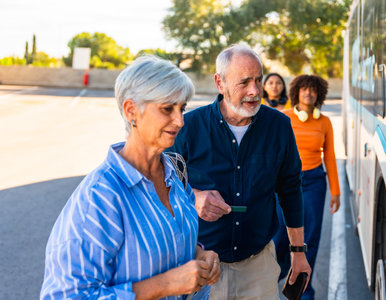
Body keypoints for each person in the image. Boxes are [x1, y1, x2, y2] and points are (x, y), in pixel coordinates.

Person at [40, 55, 220, 300]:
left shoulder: (175, 173)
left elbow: (173, 242)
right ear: (131, 110)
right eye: (168, 108)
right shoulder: (100, 197)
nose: (179, 121)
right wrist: (164, 285)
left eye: (182, 108)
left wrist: (199, 255)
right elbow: (67, 296)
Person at [168, 44, 311, 300]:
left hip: (259, 267)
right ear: (219, 83)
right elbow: (160, 186)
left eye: (258, 79)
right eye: (244, 82)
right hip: (199, 266)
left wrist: (298, 252)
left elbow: (290, 189)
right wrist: (194, 198)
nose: (255, 91)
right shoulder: (188, 126)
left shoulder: (279, 126)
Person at [275, 74, 341, 300]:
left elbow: (330, 157)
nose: (308, 93)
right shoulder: (283, 118)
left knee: (309, 239)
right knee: (279, 237)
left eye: (313, 90)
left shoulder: (325, 122)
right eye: (304, 89)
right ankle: (280, 275)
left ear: (319, 94)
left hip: (313, 182)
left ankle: (303, 290)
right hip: (284, 181)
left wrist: (335, 191)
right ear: (296, 92)